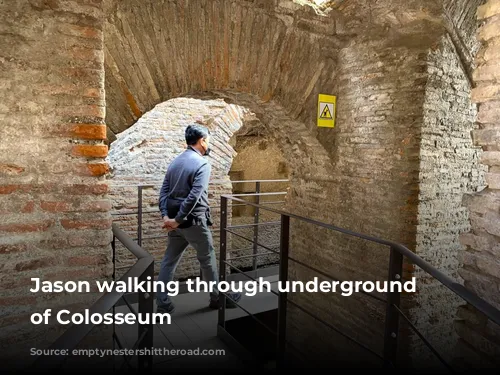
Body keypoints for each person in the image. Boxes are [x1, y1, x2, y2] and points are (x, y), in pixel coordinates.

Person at [156, 124, 242, 314]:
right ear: (202, 141)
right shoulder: (202, 163)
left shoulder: (175, 161)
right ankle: (218, 298)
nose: (208, 143)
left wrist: (166, 217)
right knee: (208, 258)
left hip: (174, 222)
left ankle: (162, 303)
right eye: (208, 140)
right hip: (193, 222)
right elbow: (195, 196)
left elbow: (163, 191)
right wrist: (178, 219)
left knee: (169, 260)